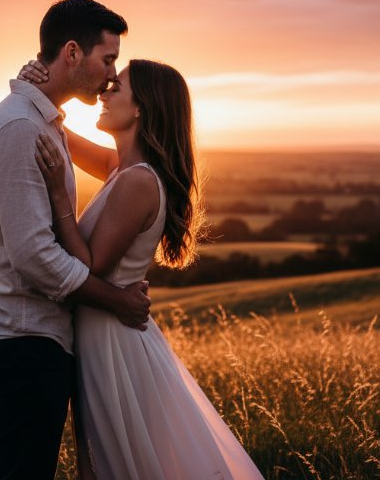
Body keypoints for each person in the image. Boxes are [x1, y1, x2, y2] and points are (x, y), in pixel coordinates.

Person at [20, 58, 266, 479]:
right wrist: (40, 94)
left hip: (110, 339)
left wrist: (62, 204)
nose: (104, 91)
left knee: (109, 463)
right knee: (101, 463)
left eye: (117, 88)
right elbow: (58, 137)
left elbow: (90, 266)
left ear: (140, 109)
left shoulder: (137, 181)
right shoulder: (124, 169)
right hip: (103, 329)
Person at [0, 0, 154, 480]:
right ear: (72, 52)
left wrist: (46, 100)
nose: (111, 75)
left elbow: (117, 168)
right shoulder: (19, 129)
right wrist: (115, 299)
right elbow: (34, 258)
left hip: (37, 337)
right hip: (21, 335)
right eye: (107, 59)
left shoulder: (39, 124)